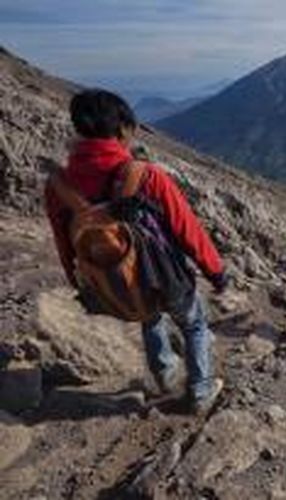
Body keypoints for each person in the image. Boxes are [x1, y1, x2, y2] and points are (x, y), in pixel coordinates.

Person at [45, 89, 227, 414]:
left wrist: (81, 282)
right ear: (121, 129)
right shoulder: (144, 175)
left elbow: (64, 240)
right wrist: (214, 270)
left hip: (116, 282)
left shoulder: (58, 186)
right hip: (167, 275)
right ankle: (200, 390)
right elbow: (186, 228)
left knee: (148, 314)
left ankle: (165, 374)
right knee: (194, 324)